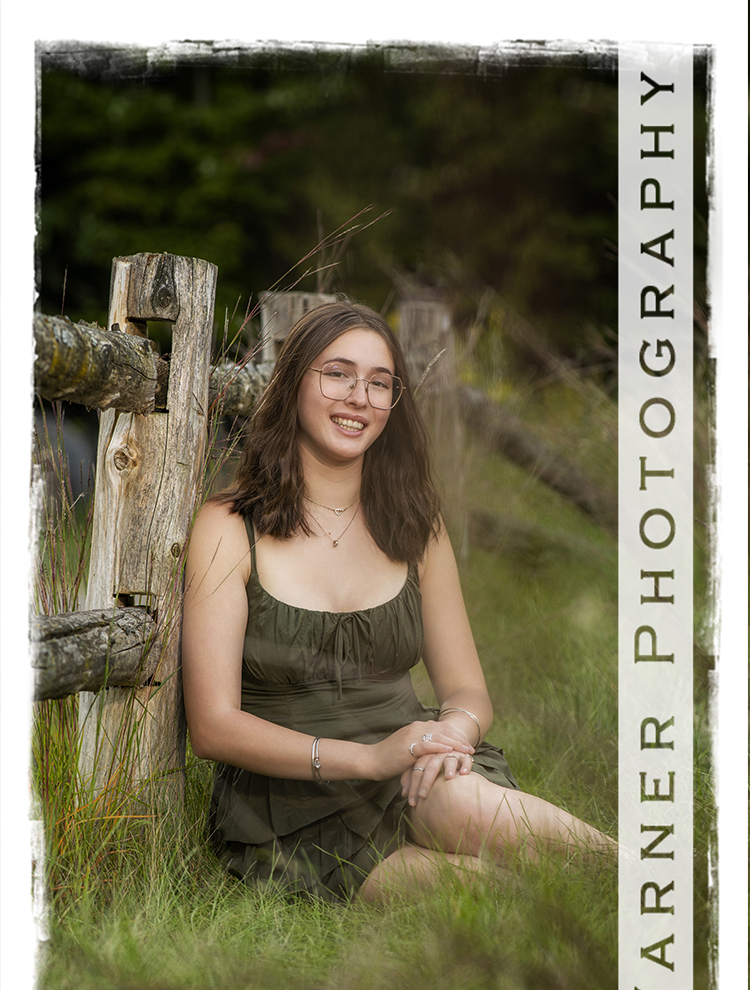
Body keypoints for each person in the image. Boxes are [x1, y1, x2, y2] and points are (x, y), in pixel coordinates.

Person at [182, 300, 614, 903]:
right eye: (337, 373)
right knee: (495, 900)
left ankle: (674, 890)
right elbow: (213, 726)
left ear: (394, 402)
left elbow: (467, 691)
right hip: (293, 805)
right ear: (292, 383)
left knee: (466, 804)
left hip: (416, 768)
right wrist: (368, 759)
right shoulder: (229, 527)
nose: (359, 396)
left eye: (379, 383)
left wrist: (449, 740)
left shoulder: (415, 523)